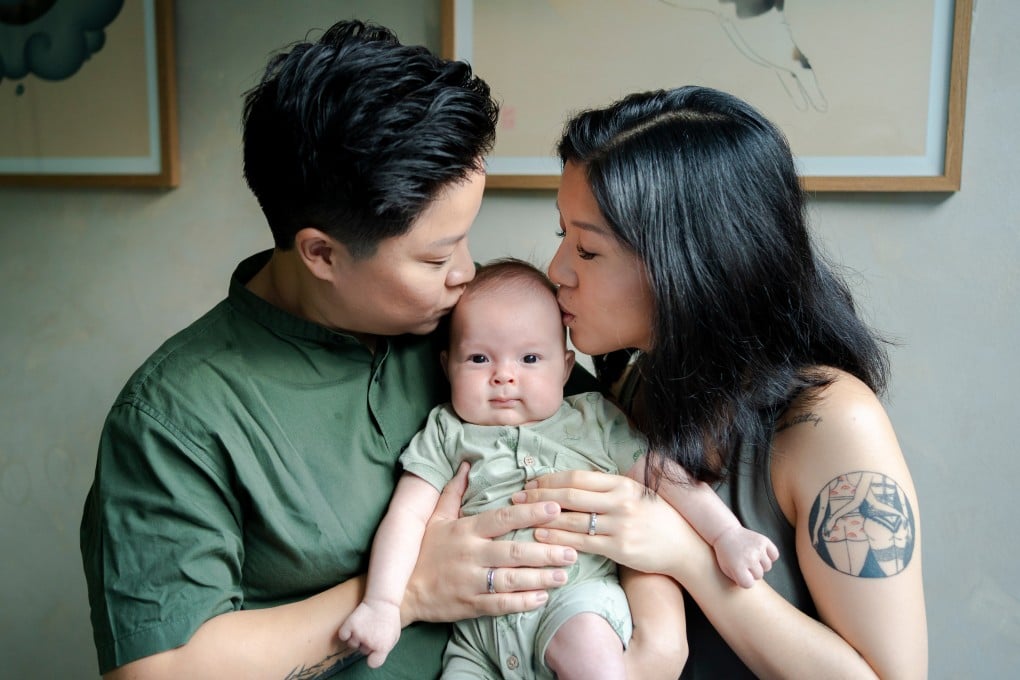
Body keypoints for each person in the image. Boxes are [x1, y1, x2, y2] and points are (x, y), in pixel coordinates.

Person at [79, 20, 588, 679]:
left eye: (466, 238)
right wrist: (406, 590)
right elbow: (156, 669)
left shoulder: (477, 326)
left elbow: (627, 451)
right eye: (436, 256)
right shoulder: (177, 415)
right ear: (322, 253)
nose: (466, 271)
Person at [513, 86, 928, 678]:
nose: (557, 271)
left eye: (587, 249)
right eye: (562, 237)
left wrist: (688, 555)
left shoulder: (831, 420)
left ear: (689, 261)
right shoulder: (632, 388)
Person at [339, 258, 777, 678]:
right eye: (478, 359)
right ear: (447, 366)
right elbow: (406, 516)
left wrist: (726, 534)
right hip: (479, 636)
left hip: (574, 599)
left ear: (565, 369)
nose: (503, 376)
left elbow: (662, 475)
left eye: (529, 359)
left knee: (590, 653)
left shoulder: (594, 419)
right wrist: (382, 603)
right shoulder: (445, 432)